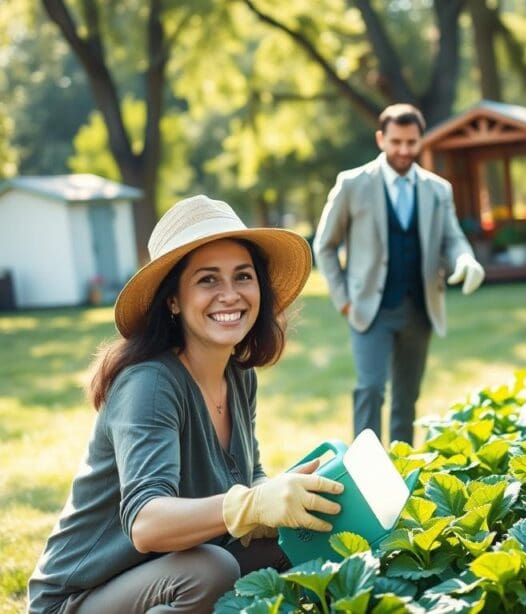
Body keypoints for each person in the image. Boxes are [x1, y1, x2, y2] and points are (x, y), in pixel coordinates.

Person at [28, 195, 345, 613]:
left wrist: (280, 499)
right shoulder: (150, 384)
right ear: (173, 300)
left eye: (243, 277)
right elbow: (146, 523)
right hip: (81, 596)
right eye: (208, 280)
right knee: (209, 571)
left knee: (294, 547)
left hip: (162, 571)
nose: (230, 295)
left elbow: (247, 479)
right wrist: (251, 504)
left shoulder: (238, 375)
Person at [313, 103, 485, 446]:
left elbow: (452, 238)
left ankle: (402, 474)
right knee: (371, 389)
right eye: (396, 142)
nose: (404, 150)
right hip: (369, 309)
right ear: (381, 139)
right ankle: (364, 479)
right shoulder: (352, 184)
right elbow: (324, 245)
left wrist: (465, 260)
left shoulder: (438, 190)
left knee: (407, 399)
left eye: (411, 142)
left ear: (420, 140)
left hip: (419, 309)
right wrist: (344, 300)